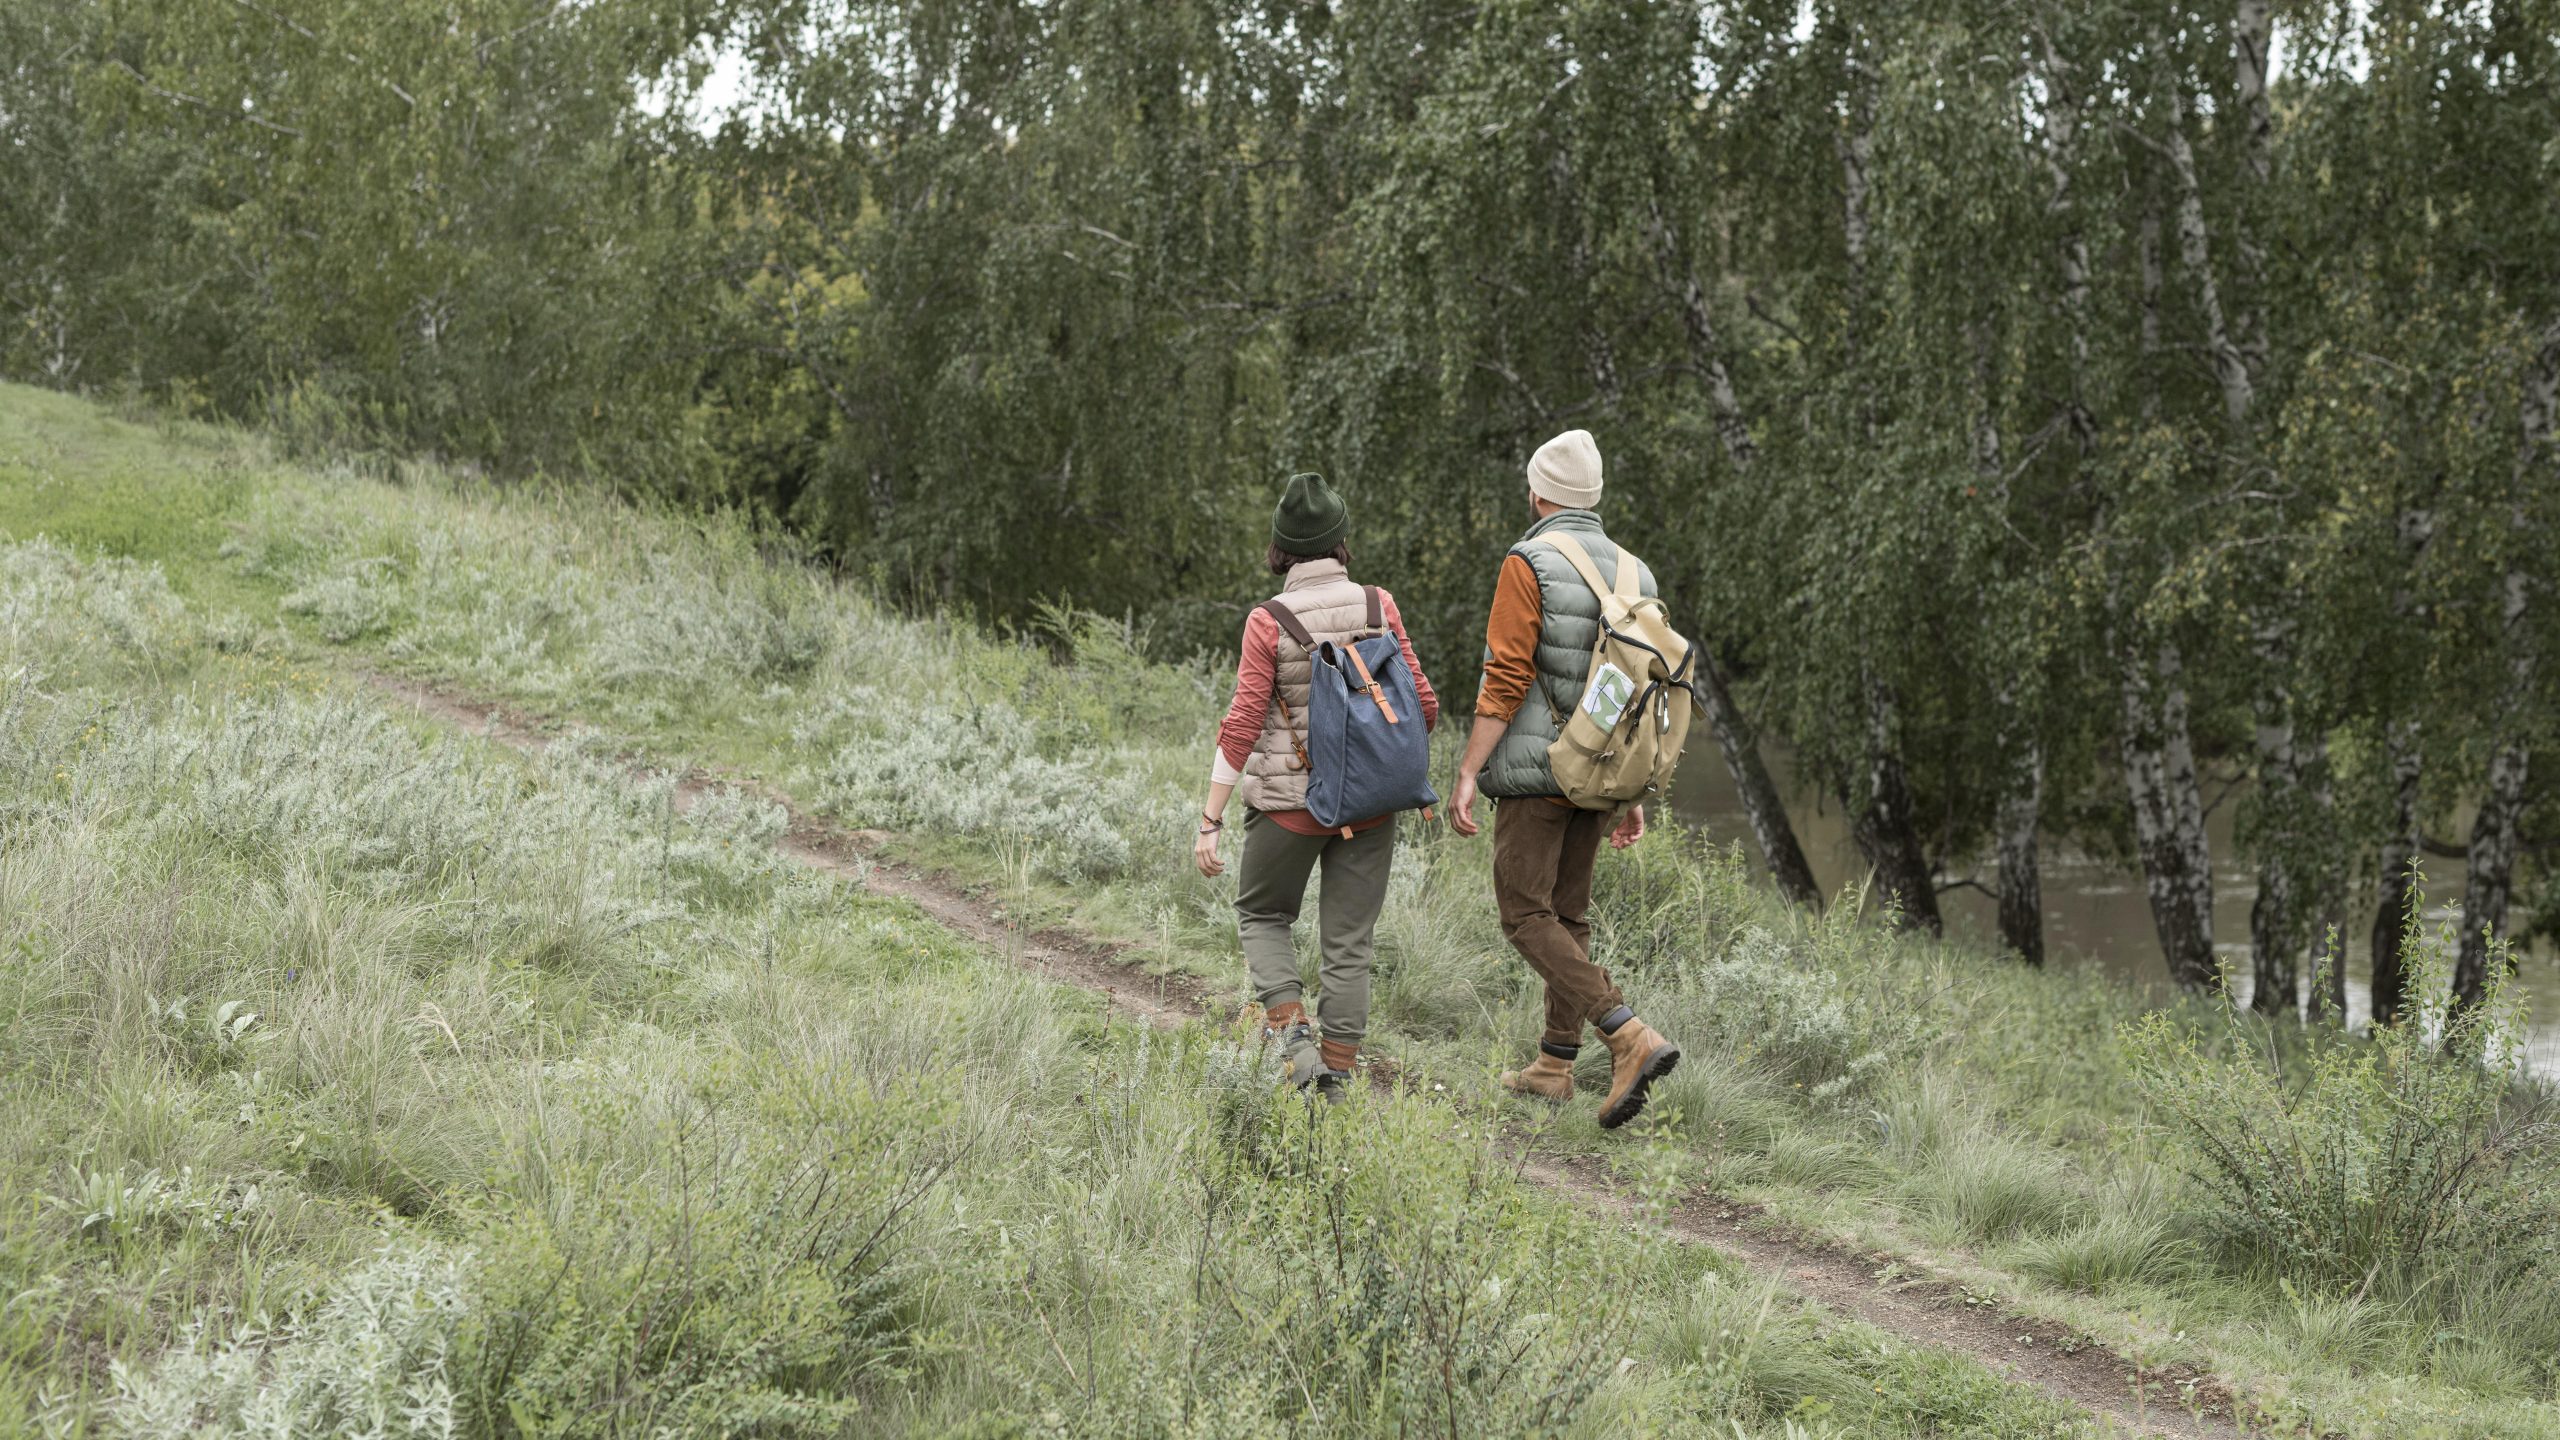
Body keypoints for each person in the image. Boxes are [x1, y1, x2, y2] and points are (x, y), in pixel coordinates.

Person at [1447, 429, 1682, 1129]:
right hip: (1605, 770)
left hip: (1538, 769)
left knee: (1524, 914)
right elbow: (1641, 687)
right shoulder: (1637, 574)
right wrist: (1635, 791)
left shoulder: (1531, 560)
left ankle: (1627, 1033)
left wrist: (1468, 769)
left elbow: (1508, 674)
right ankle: (1554, 1064)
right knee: (1568, 914)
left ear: (1537, 494)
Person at [1194, 472, 1438, 1100]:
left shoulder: (1269, 620)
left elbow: (1244, 722)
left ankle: (1295, 1044)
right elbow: (1426, 706)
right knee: (1348, 943)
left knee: (1262, 912)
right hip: (1373, 804)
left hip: (1291, 807)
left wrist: (1211, 818)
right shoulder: (1379, 607)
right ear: (1340, 542)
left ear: (1282, 548)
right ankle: (1339, 1083)